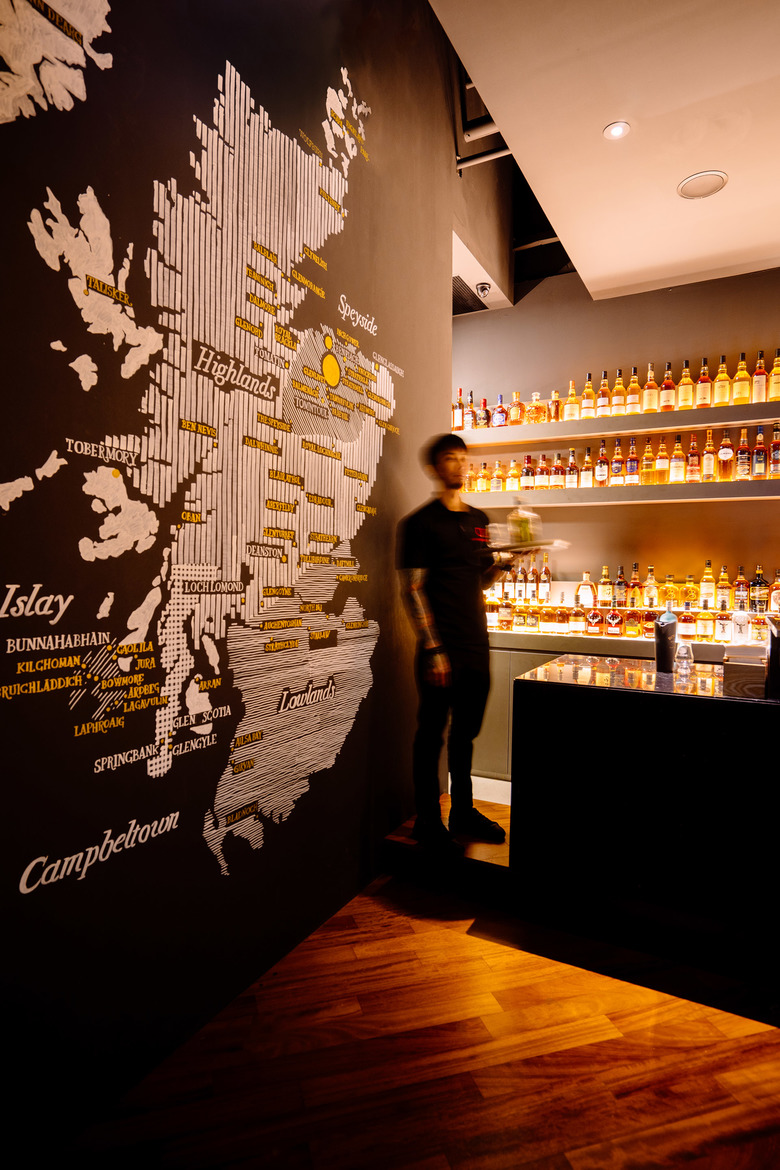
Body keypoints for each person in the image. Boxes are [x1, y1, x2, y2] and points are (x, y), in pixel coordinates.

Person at [397, 433, 513, 854]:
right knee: (431, 735)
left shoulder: (479, 520)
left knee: (466, 735)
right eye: (450, 458)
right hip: (440, 650)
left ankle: (463, 812)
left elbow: (479, 580)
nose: (460, 465)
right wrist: (434, 650)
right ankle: (427, 820)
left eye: (464, 458)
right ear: (434, 468)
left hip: (476, 644)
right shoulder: (419, 524)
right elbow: (413, 589)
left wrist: (505, 564)